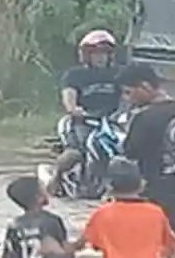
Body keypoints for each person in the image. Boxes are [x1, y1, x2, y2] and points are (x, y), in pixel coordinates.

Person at [118, 62, 175, 258]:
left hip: (154, 189)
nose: (128, 98)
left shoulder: (144, 117)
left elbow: (130, 152)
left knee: (144, 243)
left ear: (145, 86)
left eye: (129, 92)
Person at [48, 29, 123, 191]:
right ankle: (55, 178)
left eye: (104, 53)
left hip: (111, 121)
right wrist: (74, 109)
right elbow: (69, 97)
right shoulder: (75, 75)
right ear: (87, 55)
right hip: (83, 121)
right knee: (76, 153)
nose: (101, 57)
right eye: (96, 53)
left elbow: (127, 95)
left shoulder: (118, 73)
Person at [0, 176, 76, 258]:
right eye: (43, 188)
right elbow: (66, 253)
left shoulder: (14, 224)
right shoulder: (53, 221)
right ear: (39, 197)